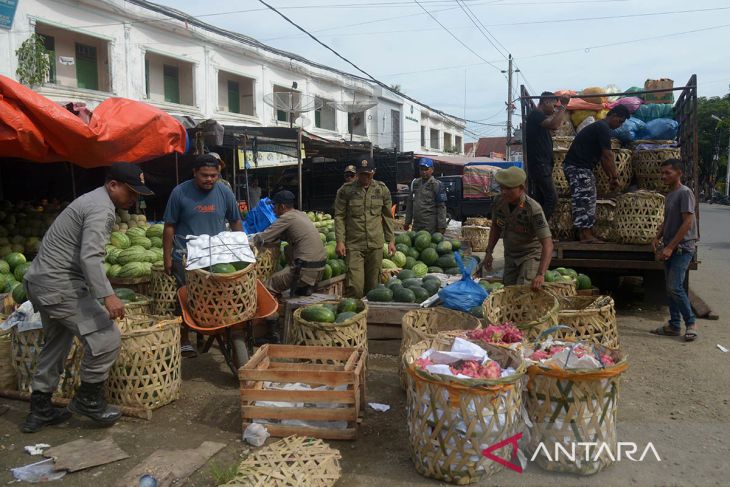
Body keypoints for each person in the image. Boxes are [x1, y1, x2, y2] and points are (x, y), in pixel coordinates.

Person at [22, 163, 154, 433]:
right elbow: (90, 257)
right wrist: (108, 296)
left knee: (56, 343)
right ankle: (88, 400)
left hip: (41, 282)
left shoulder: (92, 200)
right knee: (106, 338)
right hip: (59, 285)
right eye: (130, 192)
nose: (134, 199)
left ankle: (40, 409)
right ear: (113, 185)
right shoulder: (101, 208)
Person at [163, 154, 243, 357]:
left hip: (216, 254)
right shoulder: (180, 192)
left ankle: (221, 330)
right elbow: (169, 226)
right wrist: (167, 257)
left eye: (214, 175)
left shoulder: (224, 192)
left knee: (221, 296)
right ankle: (184, 340)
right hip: (186, 255)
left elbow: (235, 221)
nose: (209, 179)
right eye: (205, 175)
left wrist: (242, 249)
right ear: (195, 173)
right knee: (185, 297)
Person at [562, 105, 629, 243]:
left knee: (588, 198)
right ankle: (585, 235)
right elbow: (608, 155)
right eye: (620, 121)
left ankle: (587, 233)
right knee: (584, 200)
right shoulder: (602, 128)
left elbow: (604, 159)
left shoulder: (601, 128)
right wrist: (615, 176)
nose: (619, 125)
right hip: (577, 167)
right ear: (614, 115)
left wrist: (611, 177)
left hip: (579, 167)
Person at [650, 159, 699, 341]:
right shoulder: (671, 195)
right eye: (662, 173)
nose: (663, 176)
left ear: (679, 173)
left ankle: (691, 323)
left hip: (682, 248)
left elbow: (688, 222)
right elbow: (667, 220)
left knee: (675, 287)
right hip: (670, 247)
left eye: (667, 173)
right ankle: (674, 325)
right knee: (670, 289)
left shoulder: (685, 193)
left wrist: (670, 247)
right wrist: (657, 237)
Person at [334, 155, 396, 298]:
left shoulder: (382, 190)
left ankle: (369, 318)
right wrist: (340, 241)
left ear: (373, 172)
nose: (364, 177)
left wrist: (391, 240)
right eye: (361, 174)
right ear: (357, 173)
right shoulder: (346, 190)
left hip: (375, 245)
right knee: (355, 287)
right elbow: (339, 216)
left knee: (373, 288)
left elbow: (387, 216)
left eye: (368, 174)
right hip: (354, 245)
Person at [484, 167, 553, 291]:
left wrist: (541, 274)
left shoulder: (533, 209)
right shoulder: (499, 201)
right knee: (508, 291)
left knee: (523, 290)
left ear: (521, 188)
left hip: (529, 255)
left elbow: (548, 244)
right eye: (502, 188)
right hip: (510, 255)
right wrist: (489, 252)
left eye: (509, 188)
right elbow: (496, 226)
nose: (504, 192)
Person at [252, 190, 327, 296]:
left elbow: (262, 238)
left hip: (305, 270)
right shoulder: (301, 214)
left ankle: (273, 311)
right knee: (288, 248)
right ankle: (305, 286)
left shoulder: (286, 218)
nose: (273, 209)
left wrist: (246, 242)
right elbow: (285, 235)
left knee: (267, 285)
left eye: (274, 206)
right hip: (320, 269)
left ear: (282, 206)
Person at [525, 91, 570, 221]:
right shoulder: (536, 114)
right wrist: (563, 106)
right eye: (554, 105)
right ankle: (539, 231)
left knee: (542, 200)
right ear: (546, 102)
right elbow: (554, 125)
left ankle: (537, 232)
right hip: (540, 165)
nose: (555, 108)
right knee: (552, 198)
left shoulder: (539, 117)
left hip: (541, 165)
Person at [404, 157, 447, 234]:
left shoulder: (436, 185)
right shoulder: (415, 183)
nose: (423, 172)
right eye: (421, 169)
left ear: (432, 169)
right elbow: (410, 204)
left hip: (430, 226)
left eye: (426, 169)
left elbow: (441, 207)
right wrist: (407, 221)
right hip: (416, 225)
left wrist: (442, 226)